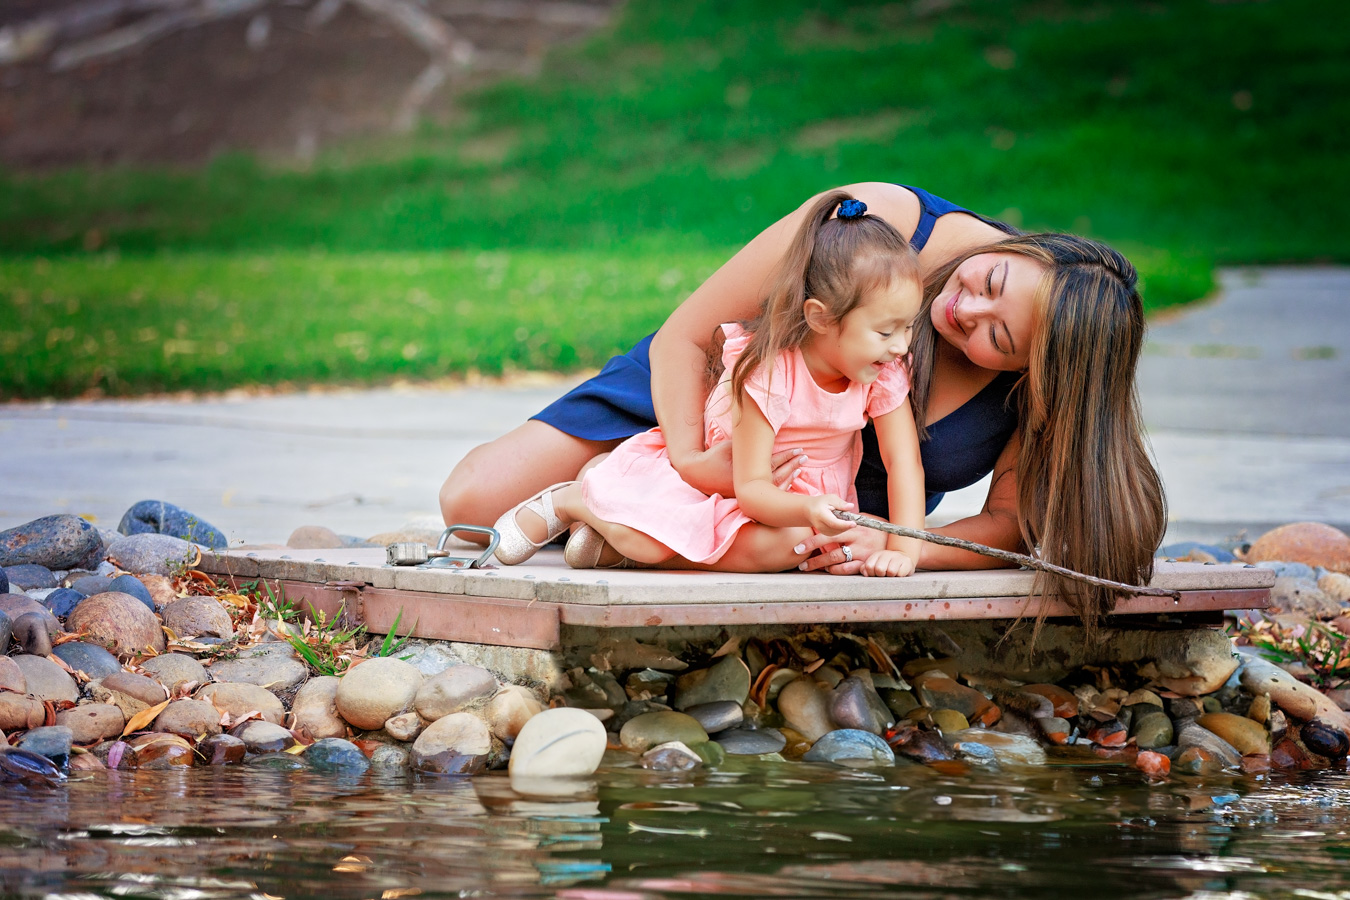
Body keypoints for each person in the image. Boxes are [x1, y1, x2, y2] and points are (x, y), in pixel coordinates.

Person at [440, 182, 1166, 627]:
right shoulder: (884, 221)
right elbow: (686, 338)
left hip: (805, 498)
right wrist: (696, 461)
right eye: (991, 279)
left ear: (1033, 369)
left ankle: (616, 528)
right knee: (472, 507)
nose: (964, 309)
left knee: (761, 544)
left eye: (996, 335)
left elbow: (1011, 523)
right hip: (709, 396)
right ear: (1030, 247)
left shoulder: (1044, 375)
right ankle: (618, 487)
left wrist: (894, 541)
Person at [489, 191, 926, 576]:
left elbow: (904, 465)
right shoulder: (770, 374)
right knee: (680, 539)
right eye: (886, 332)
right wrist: (807, 507)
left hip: (791, 513)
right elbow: (752, 489)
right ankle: (573, 500)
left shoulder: (881, 374)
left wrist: (904, 549)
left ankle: (614, 547)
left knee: (792, 546)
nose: (901, 346)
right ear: (820, 318)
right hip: (728, 488)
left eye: (907, 327)